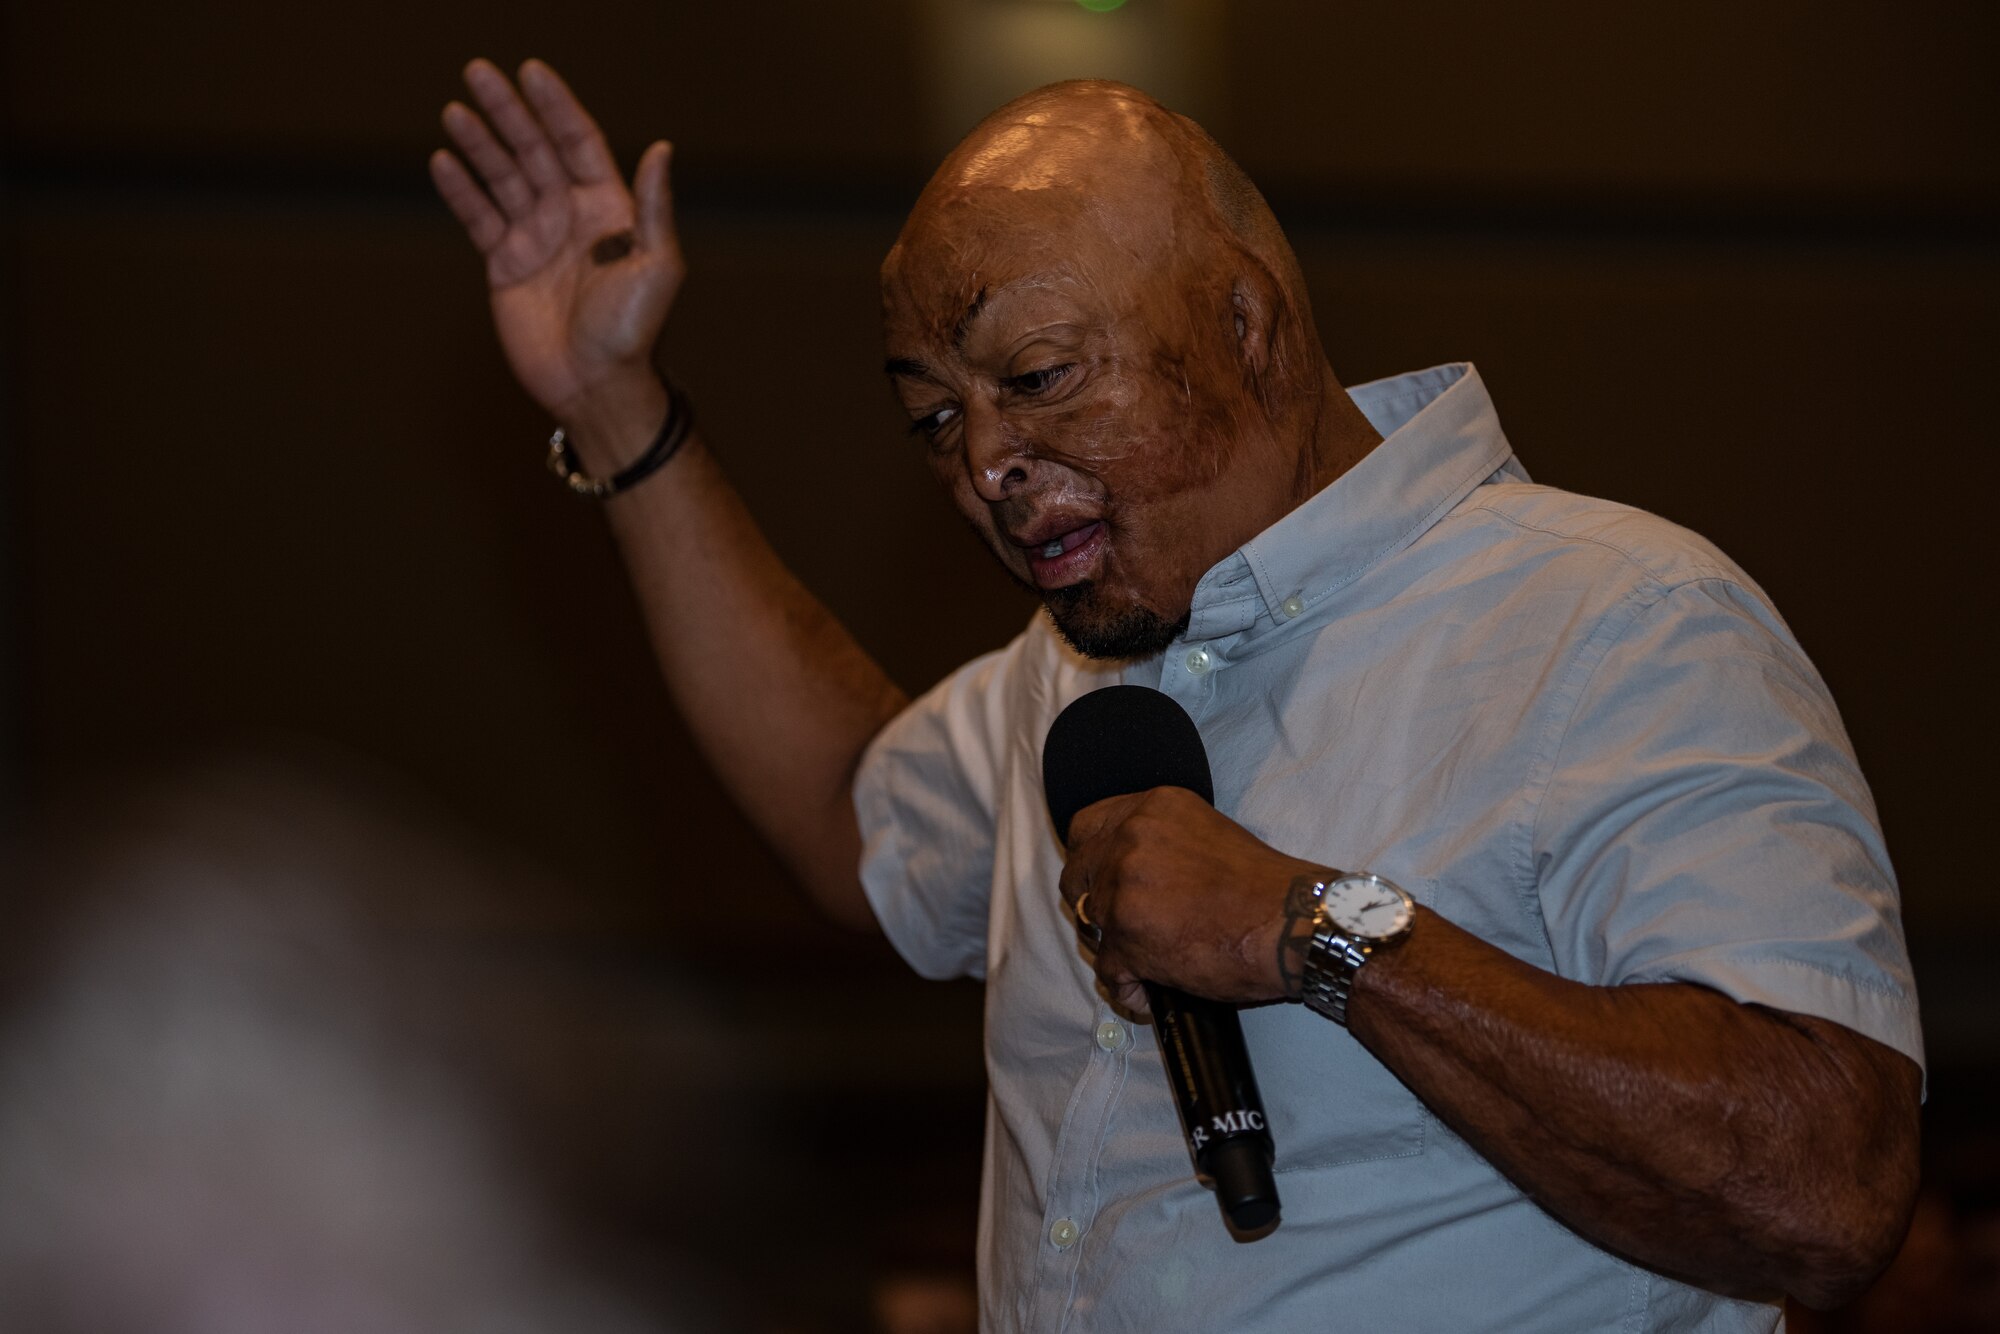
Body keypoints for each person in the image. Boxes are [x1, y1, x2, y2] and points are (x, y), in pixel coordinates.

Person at [431, 59, 1923, 1331]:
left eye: (1041, 374)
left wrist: (1316, 930)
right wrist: (612, 402)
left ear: (1249, 324)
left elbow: (1826, 1183)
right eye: (937, 417)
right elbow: (846, 813)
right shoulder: (1072, 671)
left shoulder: (1614, 622)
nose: (987, 469)